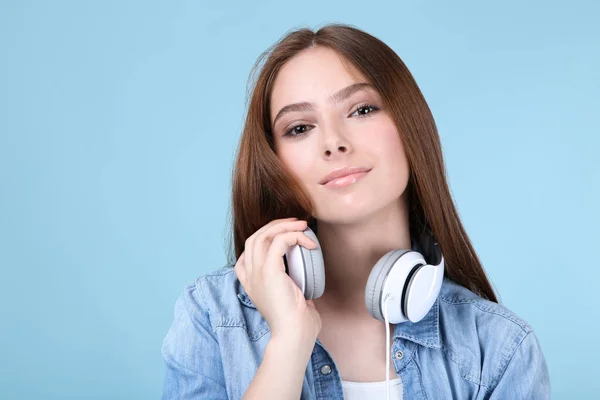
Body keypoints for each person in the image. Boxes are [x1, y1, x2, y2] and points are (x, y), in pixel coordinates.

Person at [160, 23, 551, 399]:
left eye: (361, 110)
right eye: (299, 128)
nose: (333, 143)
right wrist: (288, 344)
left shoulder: (499, 349)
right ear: (275, 162)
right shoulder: (212, 316)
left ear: (409, 125)